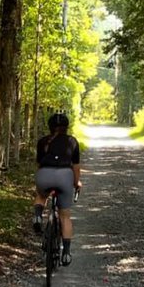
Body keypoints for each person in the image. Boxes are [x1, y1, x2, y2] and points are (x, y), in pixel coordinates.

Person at [33, 110, 81, 265]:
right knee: (65, 216)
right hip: (65, 176)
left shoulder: (42, 141)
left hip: (44, 174)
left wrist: (40, 179)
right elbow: (76, 167)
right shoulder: (72, 141)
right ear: (67, 127)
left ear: (49, 126)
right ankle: (66, 253)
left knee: (41, 195)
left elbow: (39, 164)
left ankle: (38, 215)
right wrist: (76, 183)